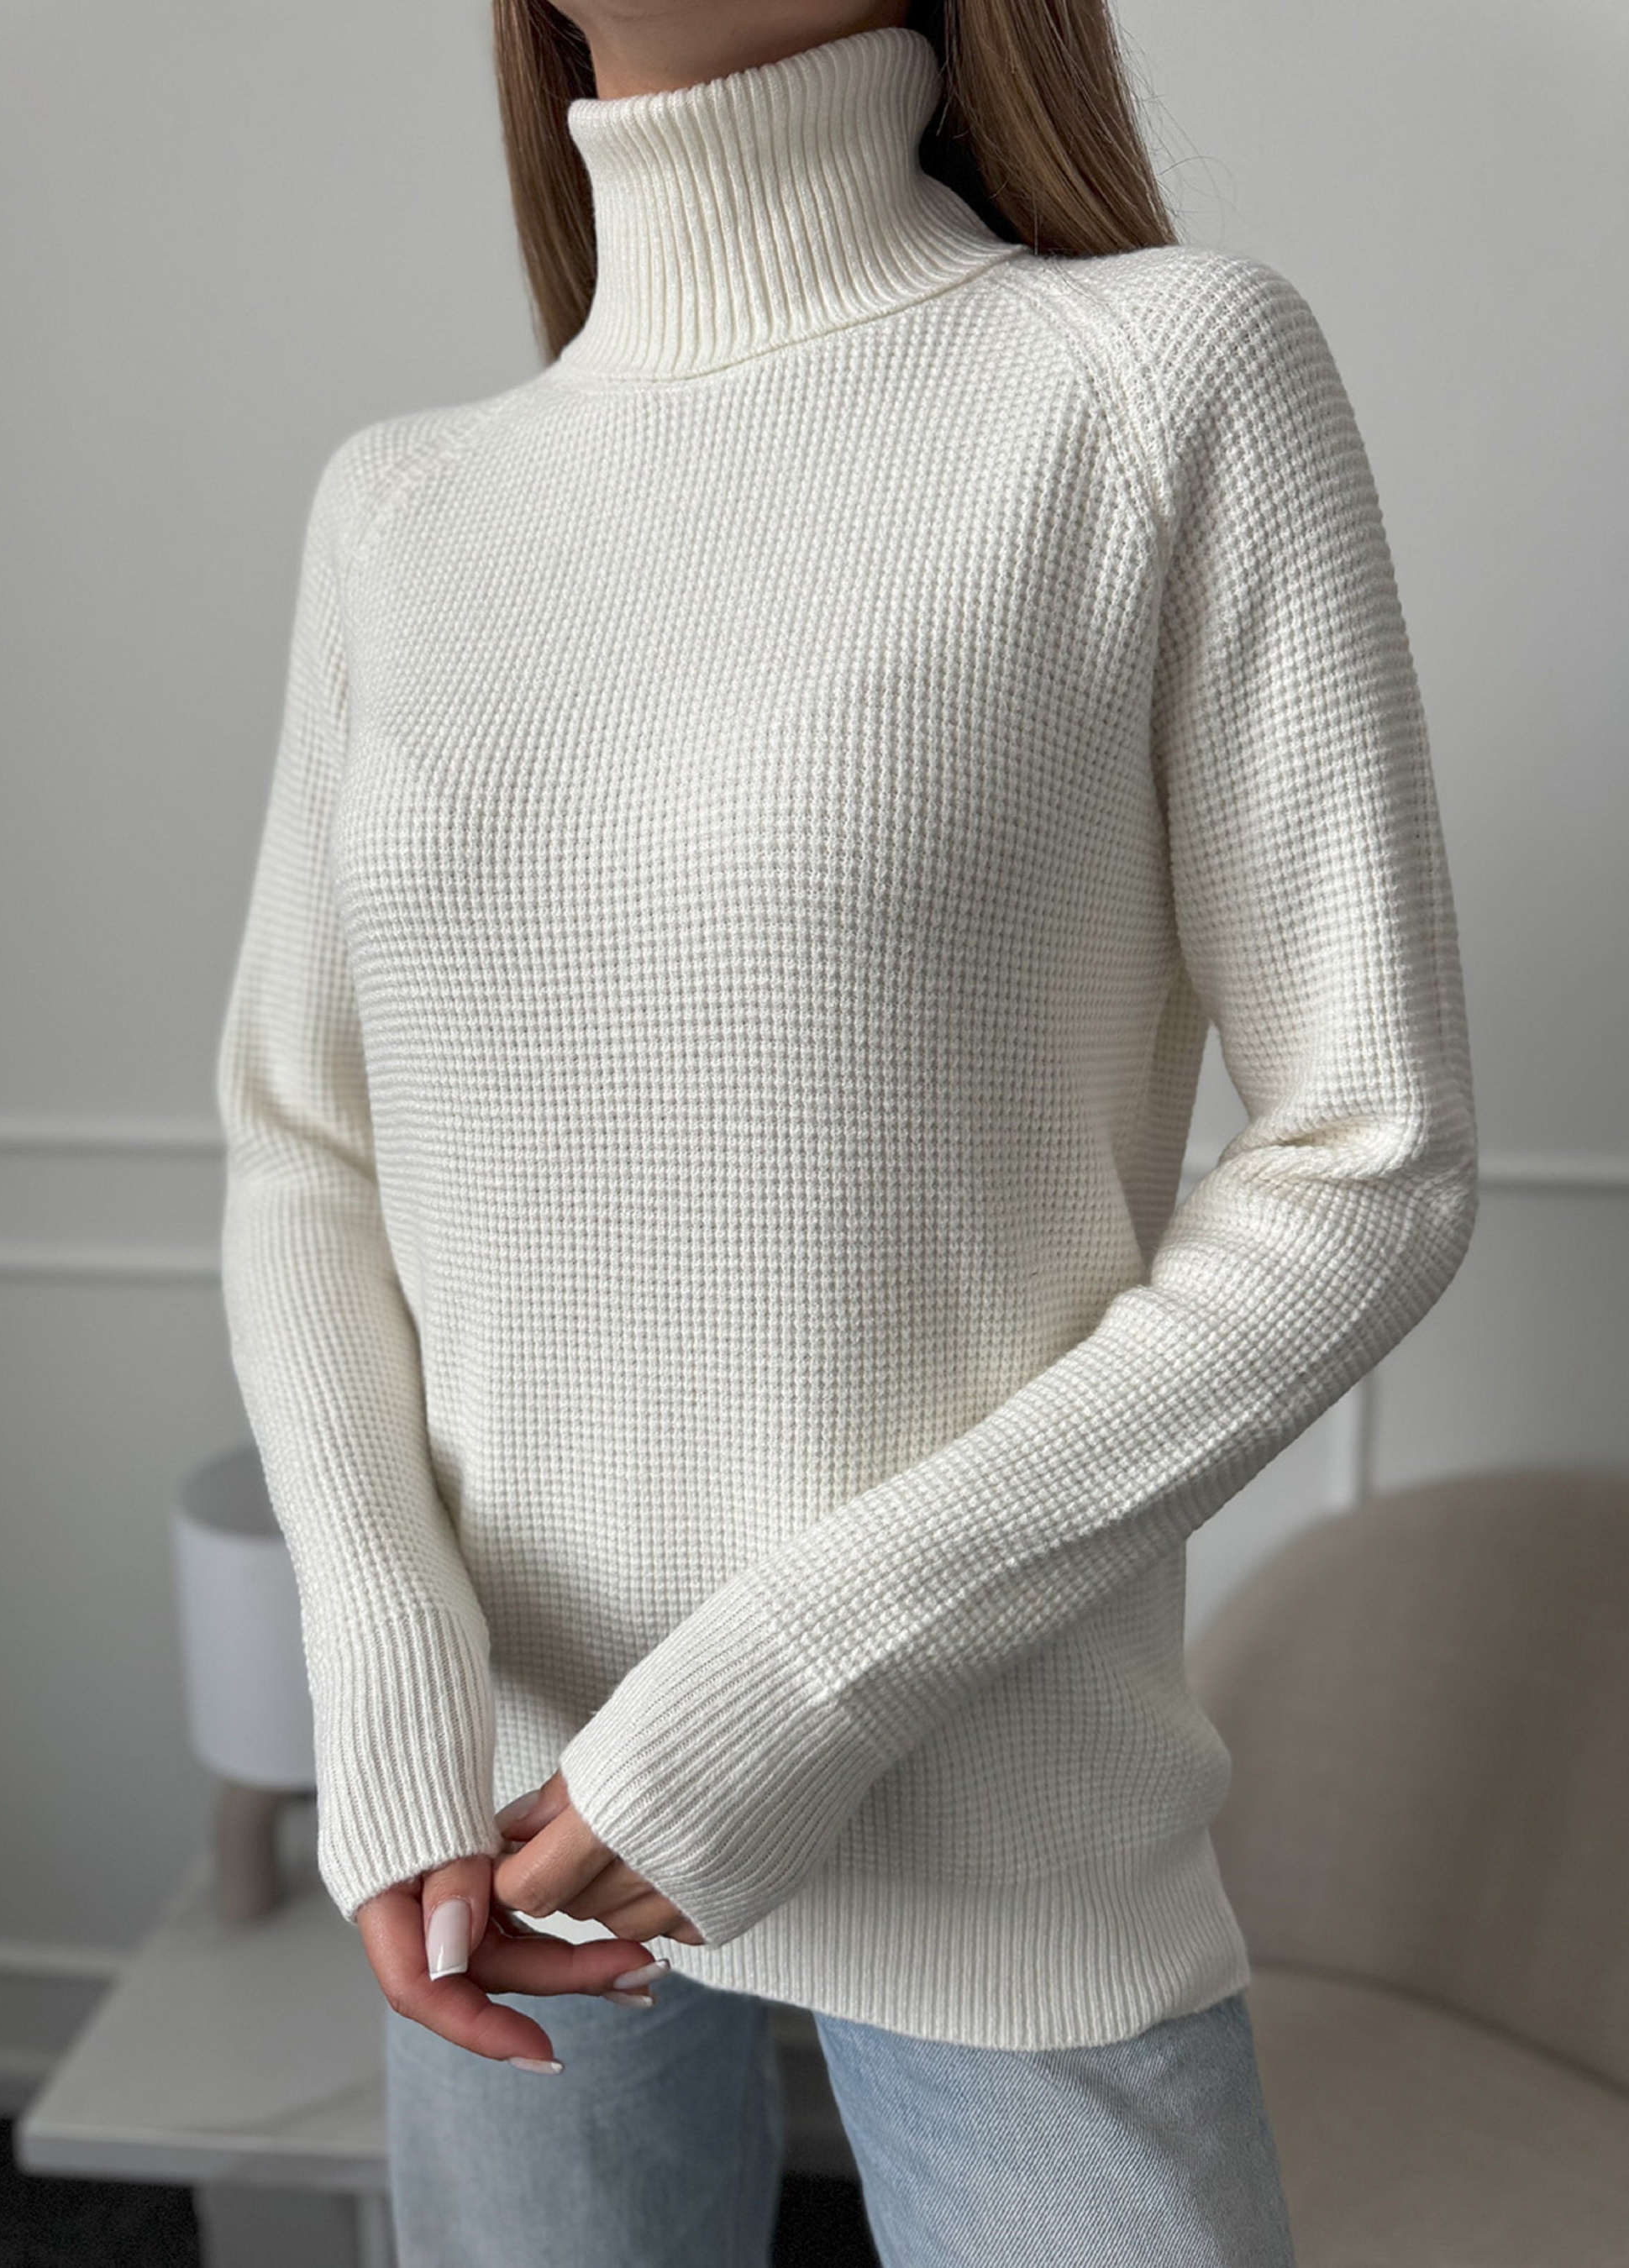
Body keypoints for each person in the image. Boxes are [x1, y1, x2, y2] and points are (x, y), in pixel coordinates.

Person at [214, 0, 1478, 2258]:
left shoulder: (1157, 378)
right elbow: (307, 1147)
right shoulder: (400, 510)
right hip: (500, 1819)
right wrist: (392, 1681)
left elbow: (1367, 1157)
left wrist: (785, 1687)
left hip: (1000, 1820)